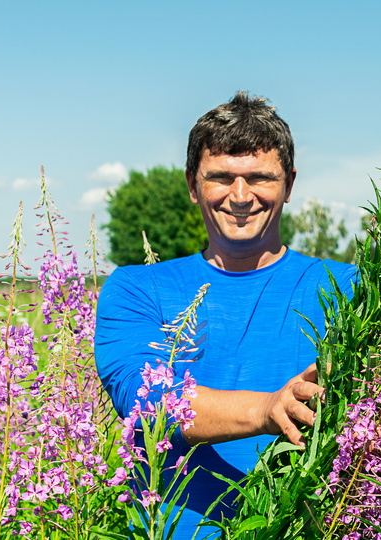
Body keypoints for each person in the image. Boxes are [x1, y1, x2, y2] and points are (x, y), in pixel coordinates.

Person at [95, 91, 357, 539]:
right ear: (192, 185)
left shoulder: (349, 290)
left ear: (289, 184)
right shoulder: (136, 289)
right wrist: (269, 408)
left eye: (259, 177)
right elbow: (144, 402)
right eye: (220, 177)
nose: (240, 196)